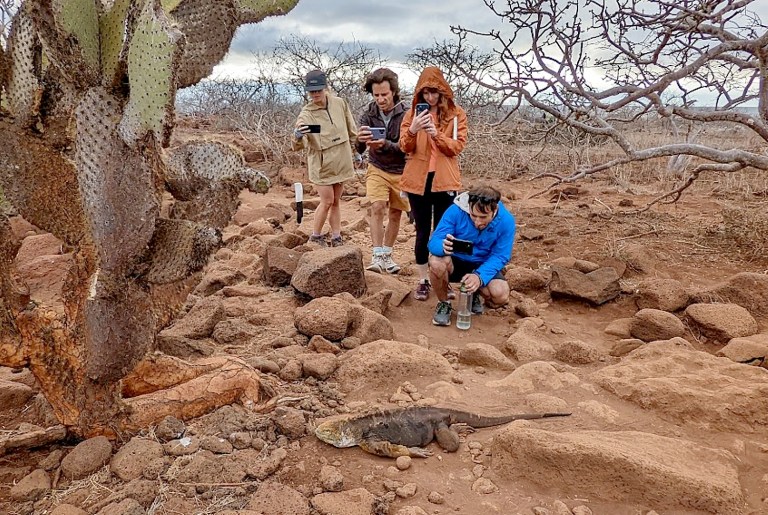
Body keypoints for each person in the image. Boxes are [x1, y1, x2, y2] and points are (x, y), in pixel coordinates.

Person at [399, 66, 468, 300]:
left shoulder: (456, 114)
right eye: (425, 93)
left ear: (442, 92)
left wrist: (435, 133)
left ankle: (443, 280)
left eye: (434, 92)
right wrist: (415, 129)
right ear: (420, 93)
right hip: (418, 181)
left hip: (445, 181)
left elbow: (456, 147)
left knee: (444, 233)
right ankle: (423, 280)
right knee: (422, 232)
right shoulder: (412, 114)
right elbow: (404, 146)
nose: (430, 98)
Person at [426, 185, 515, 327]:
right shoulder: (455, 211)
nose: (477, 222)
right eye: (473, 215)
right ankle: (444, 303)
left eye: (483, 217)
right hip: (455, 261)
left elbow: (501, 256)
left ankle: (474, 295)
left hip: (482, 264)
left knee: (500, 295)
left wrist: (479, 277)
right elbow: (434, 241)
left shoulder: (506, 221)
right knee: (436, 262)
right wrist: (441, 246)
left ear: (495, 210)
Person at [292, 69, 358, 247]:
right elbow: (300, 140)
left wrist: (358, 148)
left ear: (326, 88)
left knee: (336, 201)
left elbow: (351, 128)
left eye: (318, 90)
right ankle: (315, 235)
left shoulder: (339, 103)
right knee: (327, 200)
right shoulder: (307, 114)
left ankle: (336, 236)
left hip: (341, 159)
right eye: (312, 91)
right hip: (322, 164)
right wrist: (298, 135)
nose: (315, 94)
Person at [355, 68, 410, 274]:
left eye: (384, 94)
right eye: (376, 95)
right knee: (377, 206)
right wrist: (360, 140)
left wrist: (385, 144)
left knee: (396, 213)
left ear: (394, 92)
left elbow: (406, 147)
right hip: (377, 167)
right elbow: (359, 148)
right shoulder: (368, 114)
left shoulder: (406, 114)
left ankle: (387, 254)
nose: (380, 99)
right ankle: (377, 254)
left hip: (401, 170)